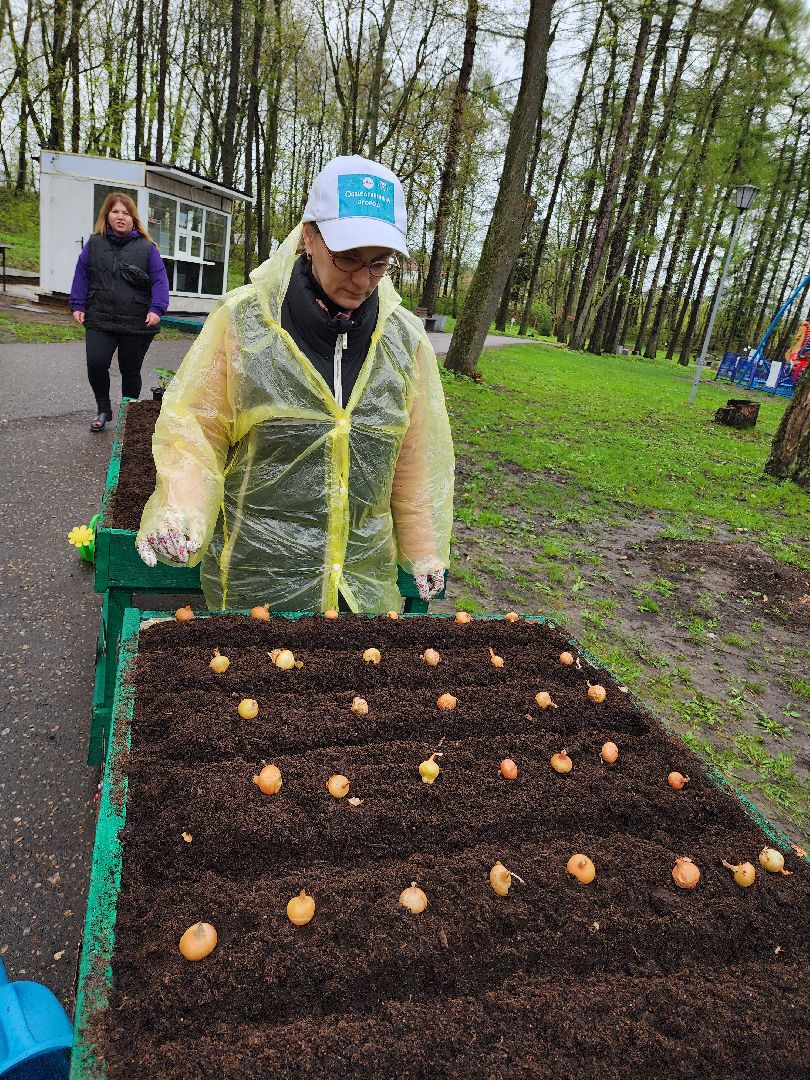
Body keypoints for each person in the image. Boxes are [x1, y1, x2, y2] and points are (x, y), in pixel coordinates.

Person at [135, 155, 453, 612]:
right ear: (309, 236)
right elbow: (196, 429)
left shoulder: (404, 341)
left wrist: (423, 546)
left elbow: (414, 452)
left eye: (379, 264)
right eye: (347, 259)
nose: (363, 280)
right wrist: (182, 512)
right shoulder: (244, 322)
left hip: (360, 592)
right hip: (257, 586)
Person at [70, 192, 170, 431]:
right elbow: (82, 274)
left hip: (136, 320)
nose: (120, 217)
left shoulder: (147, 248)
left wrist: (157, 308)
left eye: (126, 213)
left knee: (130, 370)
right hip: (100, 317)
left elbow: (159, 280)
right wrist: (78, 304)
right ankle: (103, 409)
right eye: (115, 212)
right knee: (96, 363)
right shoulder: (94, 244)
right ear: (107, 215)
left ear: (133, 218)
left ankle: (129, 414)